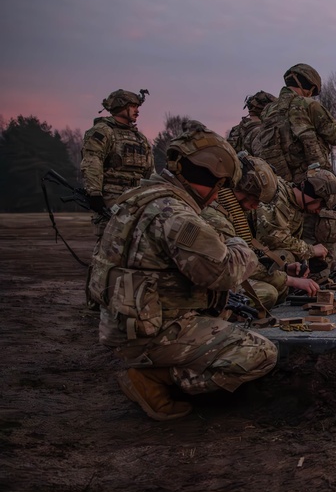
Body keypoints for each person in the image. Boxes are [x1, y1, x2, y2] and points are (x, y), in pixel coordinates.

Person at [87, 124, 277, 421]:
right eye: (219, 187)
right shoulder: (176, 215)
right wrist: (240, 244)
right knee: (261, 353)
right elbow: (225, 273)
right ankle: (156, 379)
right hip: (152, 334)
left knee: (230, 311)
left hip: (126, 325)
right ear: (210, 179)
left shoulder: (138, 198)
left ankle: (155, 368)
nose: (217, 197)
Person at [201, 153, 319, 309]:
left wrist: (284, 268)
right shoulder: (216, 217)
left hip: (226, 271)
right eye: (255, 199)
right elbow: (237, 263)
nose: (256, 206)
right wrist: (290, 280)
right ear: (243, 189)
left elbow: (247, 249)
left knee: (277, 287)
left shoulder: (232, 210)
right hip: (210, 279)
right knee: (267, 294)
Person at [253, 63, 336, 183]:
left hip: (281, 183)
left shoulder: (268, 109)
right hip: (312, 182)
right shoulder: (308, 104)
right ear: (310, 87)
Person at [80, 89, 154, 235]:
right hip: (112, 199)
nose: (137, 111)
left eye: (137, 107)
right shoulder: (103, 131)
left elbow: (150, 171)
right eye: (133, 106)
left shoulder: (140, 138)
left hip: (137, 199)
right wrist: (95, 193)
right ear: (121, 106)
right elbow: (92, 161)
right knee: (111, 242)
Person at [256, 165, 336, 264]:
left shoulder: (296, 206)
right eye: (320, 205)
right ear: (313, 195)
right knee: (286, 257)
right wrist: (310, 250)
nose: (318, 211)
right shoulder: (278, 195)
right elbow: (274, 239)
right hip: (250, 253)